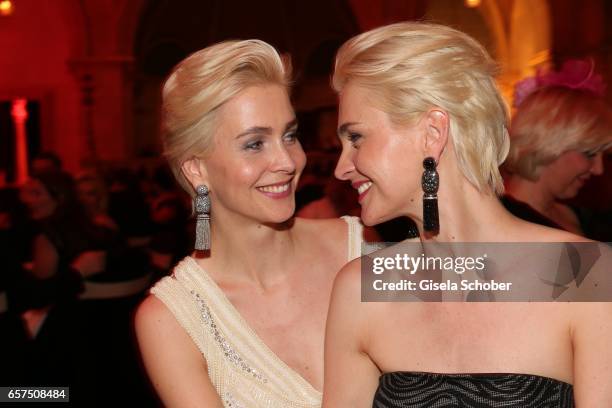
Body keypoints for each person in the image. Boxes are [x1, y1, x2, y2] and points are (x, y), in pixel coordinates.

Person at [322, 22, 612, 407]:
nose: (342, 168)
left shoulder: (585, 275)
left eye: (356, 137)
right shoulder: (358, 289)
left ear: (432, 132)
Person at [134, 39, 364, 407]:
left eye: (289, 135)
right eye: (255, 144)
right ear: (196, 169)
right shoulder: (174, 320)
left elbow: (488, 281)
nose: (288, 161)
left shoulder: (360, 244)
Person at [503, 60, 612, 236]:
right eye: (589, 153)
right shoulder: (500, 223)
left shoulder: (579, 216)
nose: (599, 170)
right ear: (546, 144)